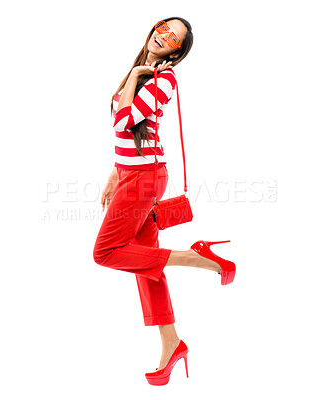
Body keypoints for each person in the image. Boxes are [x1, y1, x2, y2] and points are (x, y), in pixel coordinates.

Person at [93, 17, 236, 385]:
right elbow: (136, 131)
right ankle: (171, 343)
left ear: (177, 51)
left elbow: (124, 119)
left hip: (145, 178)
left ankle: (195, 258)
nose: (164, 36)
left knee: (105, 251)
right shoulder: (143, 73)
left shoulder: (164, 79)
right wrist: (115, 171)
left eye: (174, 37)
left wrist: (135, 75)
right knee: (146, 265)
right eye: (163, 28)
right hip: (133, 174)